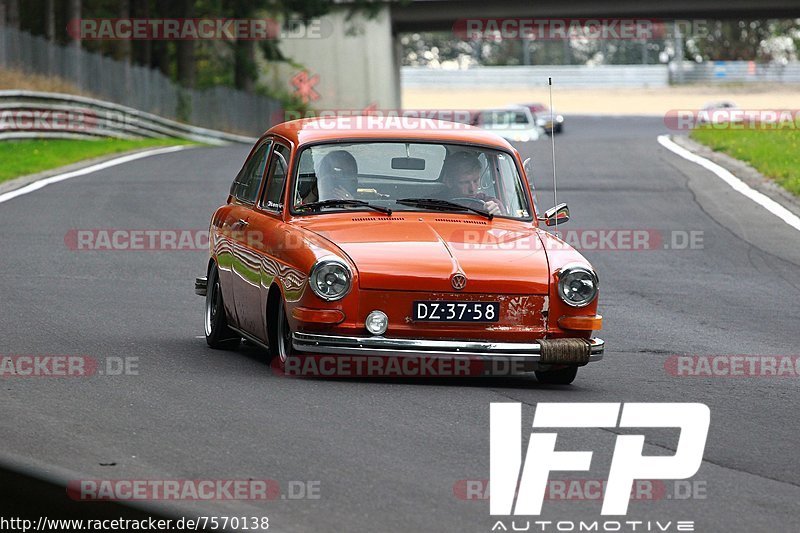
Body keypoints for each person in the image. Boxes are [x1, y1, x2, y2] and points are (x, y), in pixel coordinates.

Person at [440, 151, 503, 216]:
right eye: (465, 182)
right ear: (449, 182)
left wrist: (496, 214)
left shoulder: (489, 204)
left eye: (475, 181)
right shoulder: (436, 202)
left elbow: (504, 223)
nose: (472, 189)